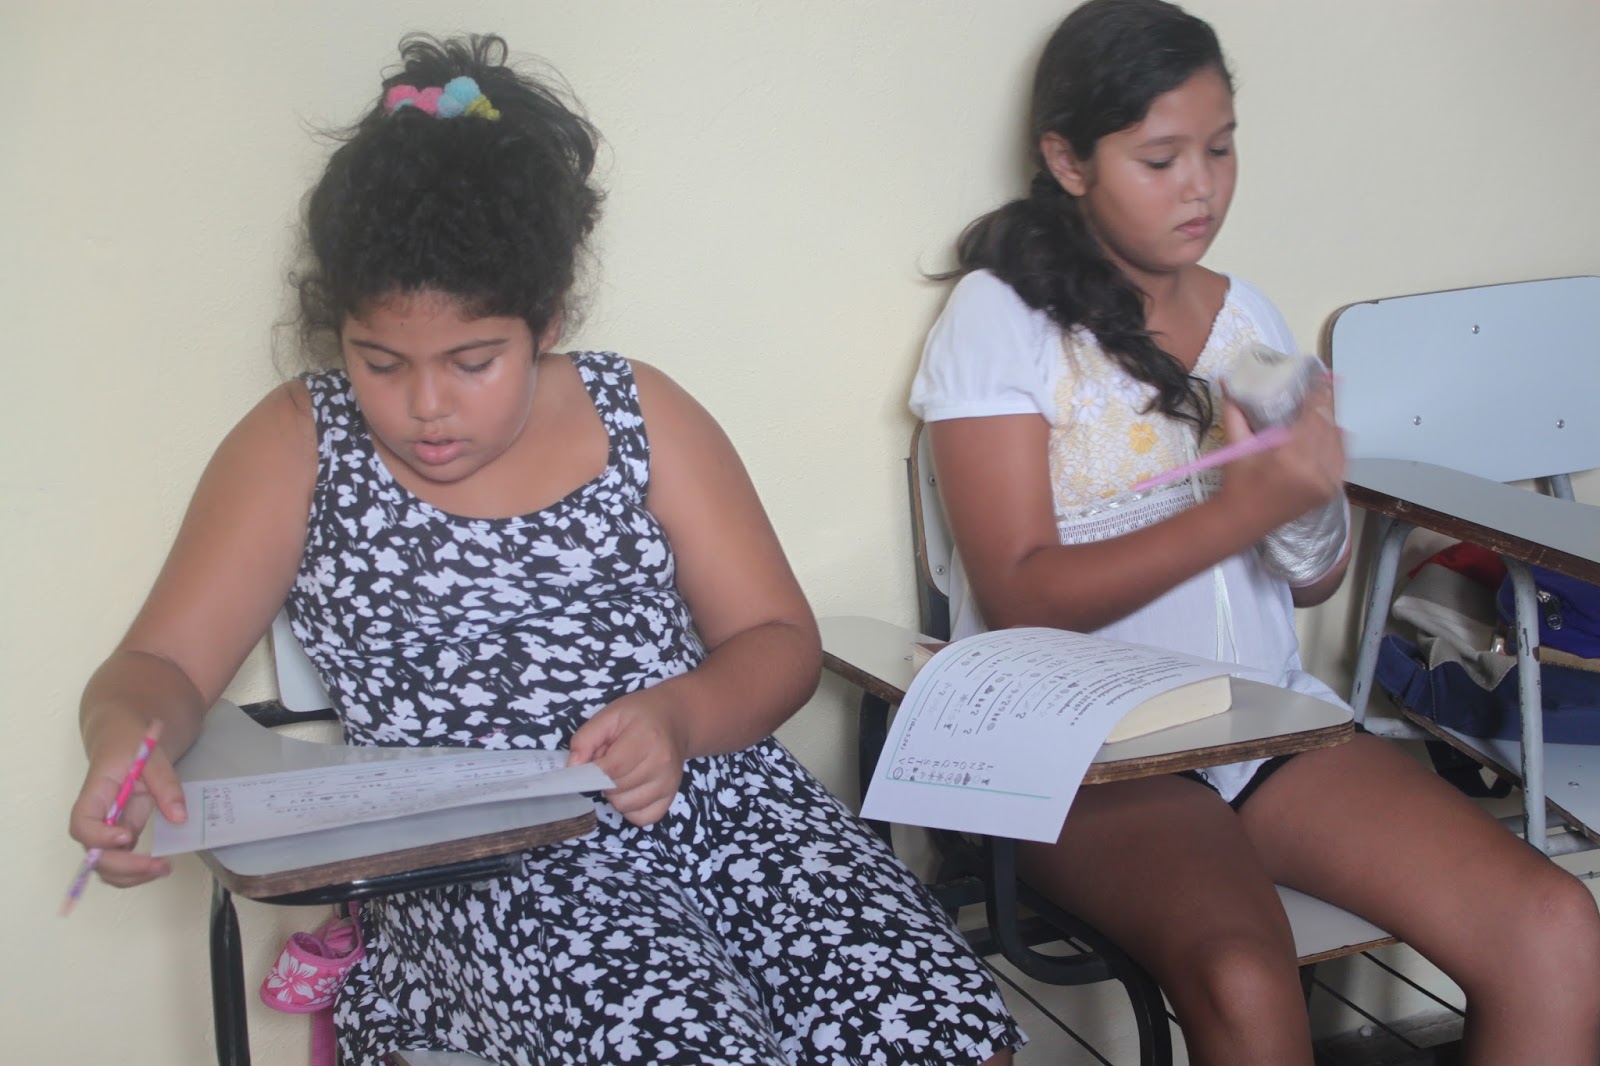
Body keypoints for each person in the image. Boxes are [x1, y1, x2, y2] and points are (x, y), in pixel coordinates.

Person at [67, 34, 1022, 1066]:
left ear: (546, 320)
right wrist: (126, 739)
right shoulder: (300, 440)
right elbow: (160, 663)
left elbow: (776, 637)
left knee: (942, 1030)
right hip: (485, 854)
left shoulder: (638, 411)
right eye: (380, 362)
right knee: (684, 1043)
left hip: (724, 804)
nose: (426, 405)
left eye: (473, 361)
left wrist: (679, 716)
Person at [910, 2, 1600, 1063]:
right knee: (1242, 974)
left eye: (1221, 149)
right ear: (1067, 160)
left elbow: (1313, 582)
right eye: (1160, 158)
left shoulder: (1248, 319)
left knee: (1552, 925)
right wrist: (1240, 507)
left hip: (1261, 723)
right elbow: (1019, 594)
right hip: (1090, 753)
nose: (1201, 186)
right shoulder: (999, 316)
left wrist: (1305, 501)